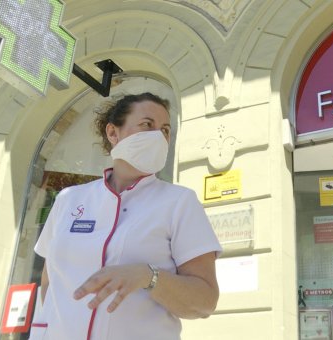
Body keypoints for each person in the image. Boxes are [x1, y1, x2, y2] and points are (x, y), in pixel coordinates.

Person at [29, 93, 223, 340]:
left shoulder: (179, 202)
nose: (158, 136)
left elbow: (204, 301)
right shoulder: (69, 199)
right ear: (113, 133)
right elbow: (50, 280)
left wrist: (147, 276)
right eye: (147, 125)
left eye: (165, 129)